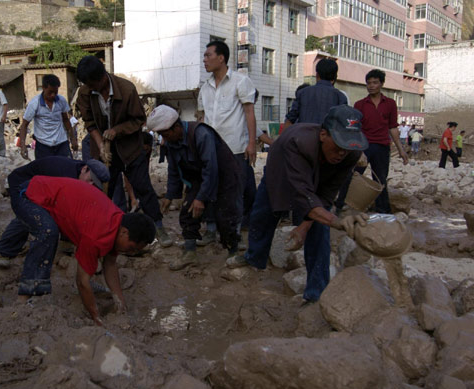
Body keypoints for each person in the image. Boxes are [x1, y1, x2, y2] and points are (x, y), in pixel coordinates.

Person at [226, 105, 369, 303]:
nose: (340, 153)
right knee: (264, 214)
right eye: (337, 146)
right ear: (323, 134)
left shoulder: (349, 153)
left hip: (318, 177)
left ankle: (316, 293)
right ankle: (254, 257)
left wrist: (305, 226)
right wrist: (338, 222)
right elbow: (303, 196)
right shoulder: (298, 142)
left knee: (320, 229)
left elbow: (325, 196)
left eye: (346, 149)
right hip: (281, 168)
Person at [16, 176, 155, 326]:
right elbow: (82, 282)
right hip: (29, 193)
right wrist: (96, 316)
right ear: (124, 233)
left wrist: (120, 301)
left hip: (49, 194)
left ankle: (4, 249)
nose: (132, 253)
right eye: (132, 248)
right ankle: (24, 299)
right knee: (48, 232)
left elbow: (110, 264)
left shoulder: (118, 221)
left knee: (49, 227)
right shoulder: (97, 236)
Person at [75, 55, 172, 247]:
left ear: (102, 77)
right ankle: (102, 230)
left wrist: (116, 130)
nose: (91, 88)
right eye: (87, 85)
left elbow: (138, 120)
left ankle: (159, 227)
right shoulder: (85, 93)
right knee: (103, 191)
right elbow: (90, 123)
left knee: (143, 187)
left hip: (130, 150)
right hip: (105, 153)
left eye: (93, 84)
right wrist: (101, 145)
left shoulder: (127, 89)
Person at [147, 105, 242, 270]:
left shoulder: (200, 134)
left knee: (225, 216)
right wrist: (170, 195)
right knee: (187, 212)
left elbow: (211, 168)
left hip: (223, 174)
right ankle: (190, 253)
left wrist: (201, 198)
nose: (164, 138)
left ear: (176, 127)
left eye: (165, 134)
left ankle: (233, 252)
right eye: (161, 135)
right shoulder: (171, 142)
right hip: (200, 176)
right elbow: (174, 170)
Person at [0, 156, 111, 266]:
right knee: (34, 215)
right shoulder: (64, 173)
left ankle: (65, 242)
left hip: (39, 188)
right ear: (85, 169)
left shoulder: (78, 175)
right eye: (90, 180)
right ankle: (2, 251)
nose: (90, 185)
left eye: (94, 184)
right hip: (22, 185)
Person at [197, 40, 257, 231]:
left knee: (234, 193)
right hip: (209, 150)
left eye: (208, 55)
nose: (204, 60)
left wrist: (252, 144)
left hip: (235, 148)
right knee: (210, 189)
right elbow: (201, 118)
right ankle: (211, 230)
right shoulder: (205, 88)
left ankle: (234, 234)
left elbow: (249, 112)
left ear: (221, 58)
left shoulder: (241, 81)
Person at [335, 69, 408, 214]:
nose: (371, 86)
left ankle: (383, 211)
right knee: (352, 174)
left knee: (380, 179)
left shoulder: (390, 104)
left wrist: (401, 150)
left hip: (382, 146)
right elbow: (355, 129)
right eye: (369, 83)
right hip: (363, 146)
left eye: (375, 82)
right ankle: (339, 206)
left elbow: (393, 127)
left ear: (382, 84)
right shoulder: (359, 105)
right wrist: (356, 150)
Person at [19, 74, 77, 160]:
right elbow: (24, 125)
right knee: (44, 171)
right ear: (43, 88)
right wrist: (23, 146)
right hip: (43, 145)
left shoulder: (61, 101)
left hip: (61, 142)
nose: (53, 95)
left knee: (66, 169)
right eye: (50, 92)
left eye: (55, 92)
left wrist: (73, 139)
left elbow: (66, 120)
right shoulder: (34, 104)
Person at [284, 58, 347, 126]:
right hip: (328, 136)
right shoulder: (341, 97)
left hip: (305, 135)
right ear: (335, 76)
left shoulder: (302, 93)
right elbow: (343, 124)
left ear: (317, 75)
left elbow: (290, 120)